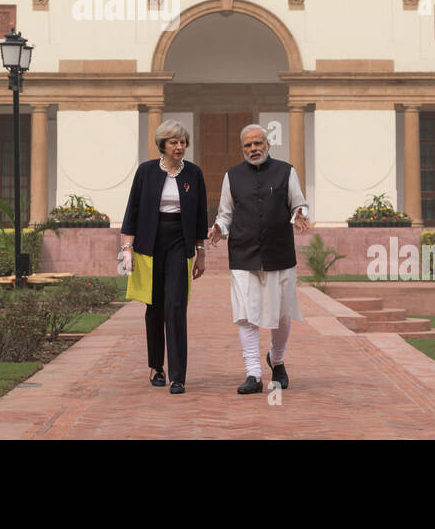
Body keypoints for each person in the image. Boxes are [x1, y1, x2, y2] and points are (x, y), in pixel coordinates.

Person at [207, 124, 311, 394]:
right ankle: (253, 373)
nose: (253, 149)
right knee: (245, 314)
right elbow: (225, 213)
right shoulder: (232, 176)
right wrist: (219, 228)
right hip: (243, 253)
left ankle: (276, 361)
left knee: (283, 315)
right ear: (242, 149)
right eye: (247, 145)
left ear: (267, 144)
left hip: (280, 253)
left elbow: (298, 202)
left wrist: (300, 213)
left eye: (258, 143)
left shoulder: (286, 171)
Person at [119, 120, 208, 394]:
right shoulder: (146, 171)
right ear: (163, 145)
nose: (179, 147)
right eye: (174, 142)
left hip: (179, 243)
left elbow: (201, 215)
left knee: (176, 306)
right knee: (154, 306)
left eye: (182, 142)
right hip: (150, 243)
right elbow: (132, 211)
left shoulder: (193, 173)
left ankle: (178, 375)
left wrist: (200, 253)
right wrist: (127, 249)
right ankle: (156, 365)